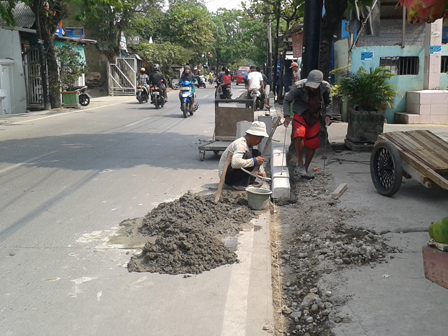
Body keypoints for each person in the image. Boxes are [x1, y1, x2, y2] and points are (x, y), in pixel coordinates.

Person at [283, 69, 332, 179]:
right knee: (300, 134)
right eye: (310, 85)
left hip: (315, 115)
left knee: (313, 142)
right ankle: (300, 163)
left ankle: (305, 169)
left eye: (315, 86)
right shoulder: (299, 86)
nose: (312, 88)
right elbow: (287, 100)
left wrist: (328, 115)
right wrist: (287, 115)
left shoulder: (325, 87)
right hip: (301, 113)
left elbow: (329, 102)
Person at [218, 121, 269, 190]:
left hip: (232, 173)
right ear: (253, 135)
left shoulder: (248, 145)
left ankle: (248, 180)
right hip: (226, 176)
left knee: (256, 153)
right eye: (260, 138)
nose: (260, 141)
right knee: (248, 156)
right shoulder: (241, 144)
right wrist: (254, 161)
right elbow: (235, 163)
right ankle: (239, 184)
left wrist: (257, 172)